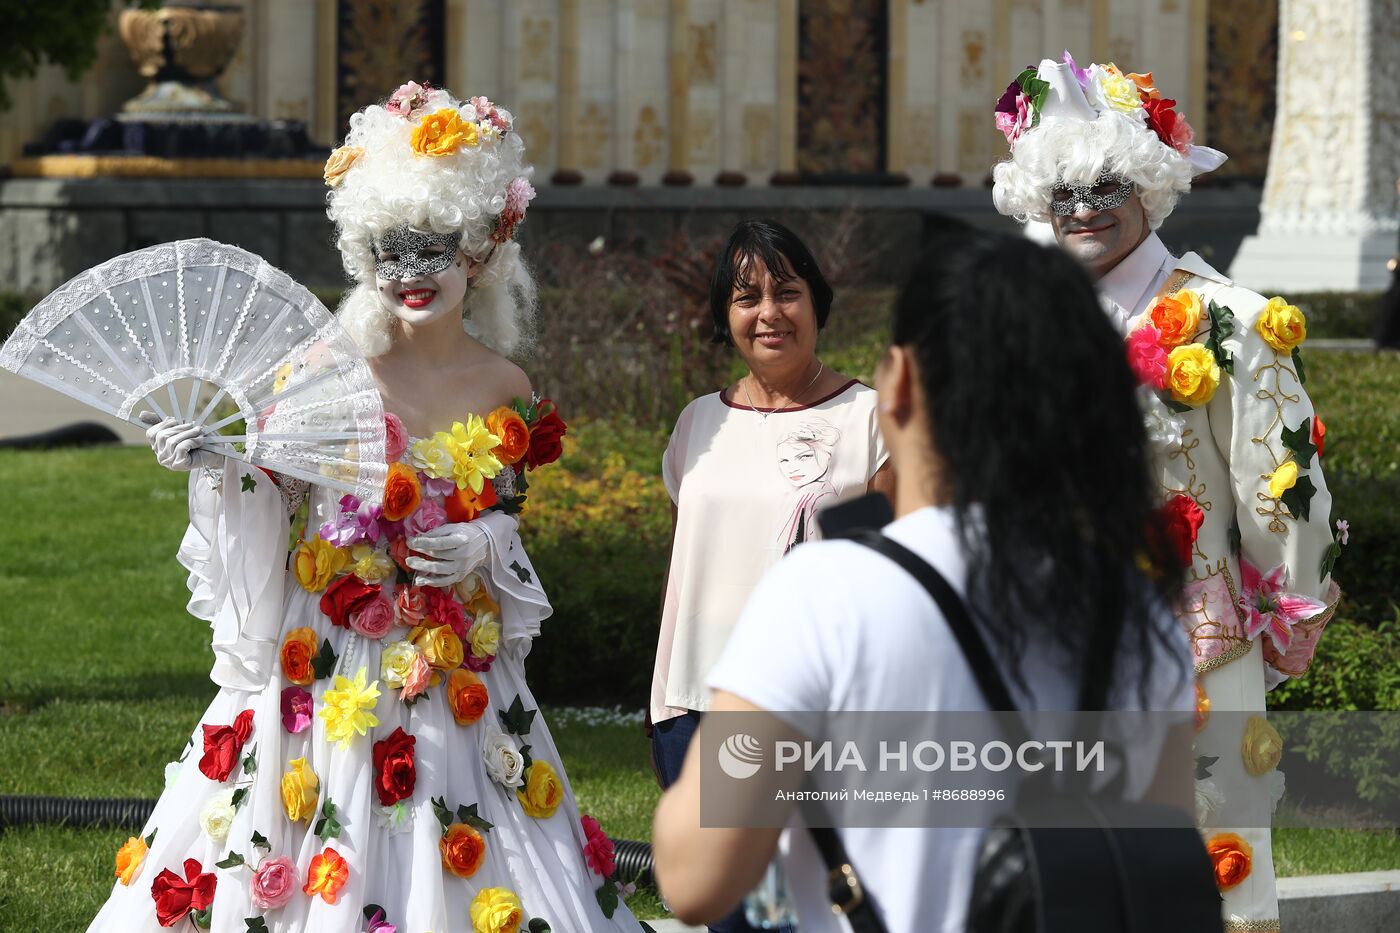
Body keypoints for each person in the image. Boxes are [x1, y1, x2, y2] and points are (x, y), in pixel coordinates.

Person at [90, 83, 643, 932]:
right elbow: (268, 490)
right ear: (361, 248)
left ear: (481, 250)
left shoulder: (507, 385)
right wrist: (209, 464)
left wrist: (483, 540)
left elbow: (510, 509)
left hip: (456, 653)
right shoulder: (323, 369)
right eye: (389, 247)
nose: (411, 272)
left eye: (433, 246)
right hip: (330, 650)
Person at [651, 231, 1198, 931]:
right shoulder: (1137, 613)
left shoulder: (824, 595)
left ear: (900, 382)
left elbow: (694, 877)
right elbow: (1161, 866)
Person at [991, 55, 1342, 932]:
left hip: (1193, 645)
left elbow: (1282, 494)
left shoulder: (1230, 320)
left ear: (1152, 186)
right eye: (1063, 191)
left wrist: (1284, 619)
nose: (1082, 209)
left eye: (1106, 184)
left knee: (1208, 867)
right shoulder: (1023, 321)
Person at [649, 219, 893, 931]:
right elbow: (687, 556)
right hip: (691, 703)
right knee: (727, 911)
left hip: (804, 710)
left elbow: (887, 577)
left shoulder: (868, 419)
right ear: (725, 315)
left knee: (801, 911)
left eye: (787, 292)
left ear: (818, 303)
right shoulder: (699, 423)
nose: (768, 313)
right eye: (746, 296)